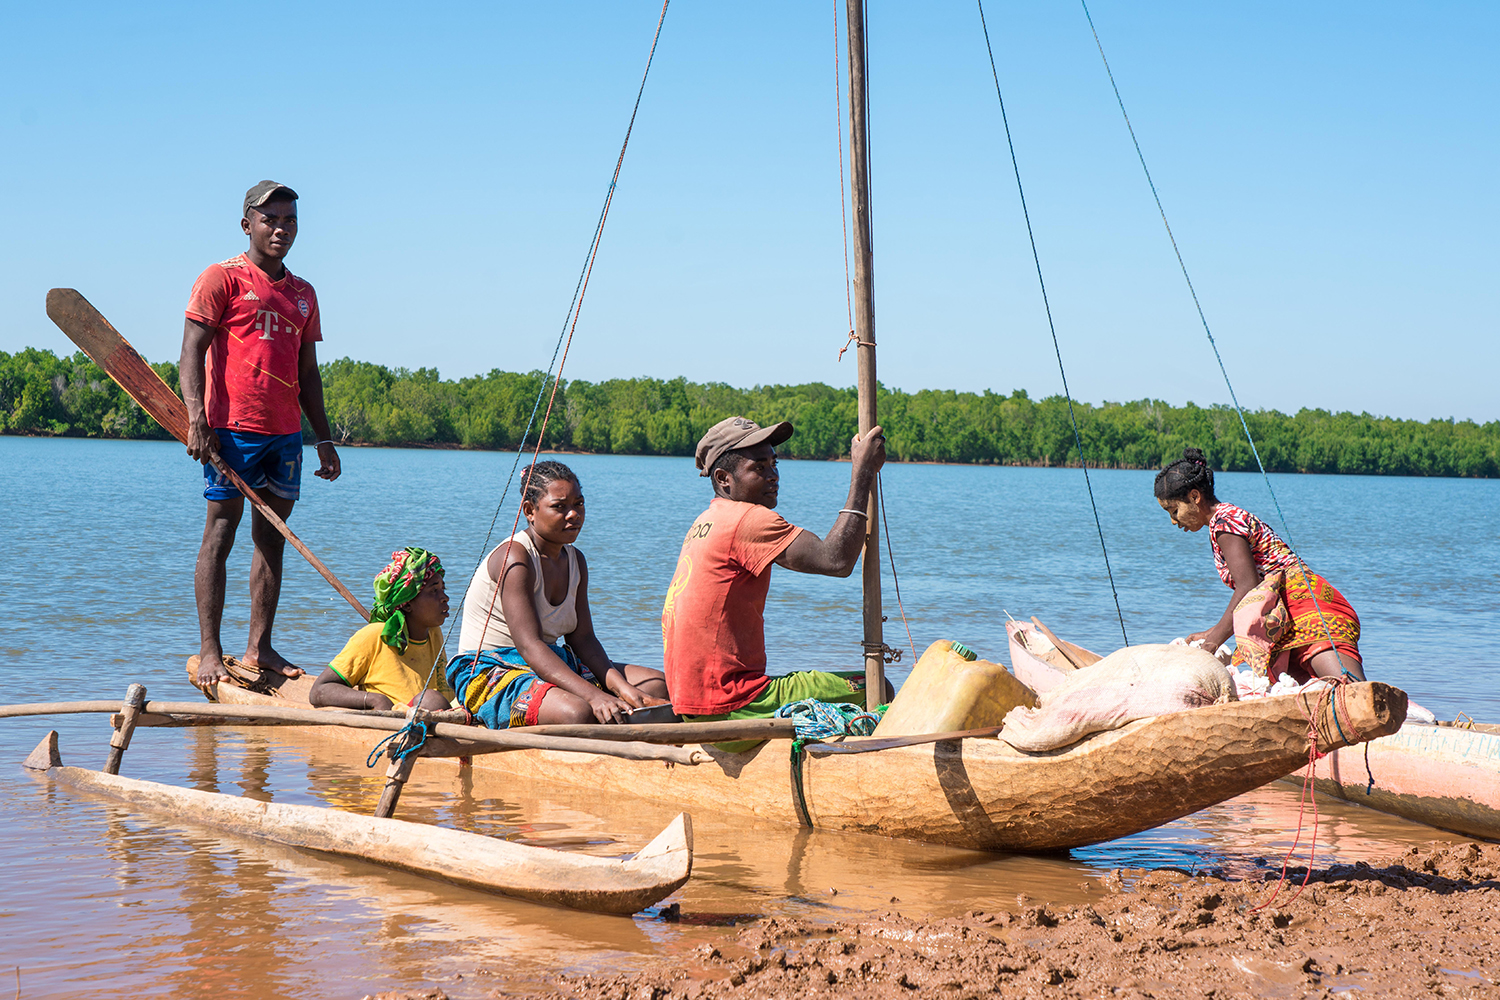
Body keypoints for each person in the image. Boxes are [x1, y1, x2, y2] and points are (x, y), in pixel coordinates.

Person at [182, 180, 341, 688]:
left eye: (290, 220)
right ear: (246, 223)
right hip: (231, 430)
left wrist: (324, 438)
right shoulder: (221, 278)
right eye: (270, 219)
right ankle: (211, 650)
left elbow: (308, 373)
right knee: (220, 534)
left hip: (285, 435)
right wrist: (196, 418)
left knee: (272, 539)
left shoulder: (303, 294)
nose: (281, 229)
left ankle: (260, 647)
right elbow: (191, 352)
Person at [661, 415, 893, 735]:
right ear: (724, 478)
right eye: (759, 467)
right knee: (875, 686)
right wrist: (863, 472)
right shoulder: (748, 519)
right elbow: (836, 561)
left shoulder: (707, 520)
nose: (773, 475)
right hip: (733, 705)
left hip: (693, 704)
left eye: (774, 463)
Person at [447, 461, 669, 727]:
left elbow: (583, 639)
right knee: (578, 712)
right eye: (559, 507)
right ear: (529, 511)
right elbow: (530, 646)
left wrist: (623, 689)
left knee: (655, 686)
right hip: (491, 671)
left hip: (547, 662)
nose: (573, 514)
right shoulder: (515, 558)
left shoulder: (576, 560)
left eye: (579, 504)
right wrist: (595, 696)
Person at [1154, 447, 1366, 683]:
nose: (1173, 521)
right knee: (1313, 696)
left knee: (1351, 688)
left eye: (1174, 510)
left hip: (1308, 609)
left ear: (1195, 496)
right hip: (1286, 617)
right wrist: (1210, 633)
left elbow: (1248, 587)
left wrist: (1212, 643)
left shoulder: (1225, 523)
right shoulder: (1223, 522)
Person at [310, 548, 456, 712]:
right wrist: (374, 699)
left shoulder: (433, 633)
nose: (445, 598)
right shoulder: (374, 636)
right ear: (407, 604)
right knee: (430, 699)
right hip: (396, 719)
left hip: (430, 716)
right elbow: (319, 690)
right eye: (434, 591)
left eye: (443, 589)